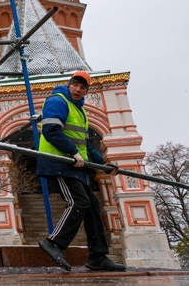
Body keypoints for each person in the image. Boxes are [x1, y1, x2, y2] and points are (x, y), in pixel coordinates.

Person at [37, 71, 125, 272]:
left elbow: (84, 144)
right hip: (58, 162)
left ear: (86, 91)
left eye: (83, 87)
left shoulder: (80, 111)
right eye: (75, 85)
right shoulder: (57, 101)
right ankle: (54, 243)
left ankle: (98, 256)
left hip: (76, 166)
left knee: (93, 206)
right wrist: (73, 152)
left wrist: (104, 164)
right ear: (69, 84)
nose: (78, 89)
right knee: (79, 201)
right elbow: (51, 131)